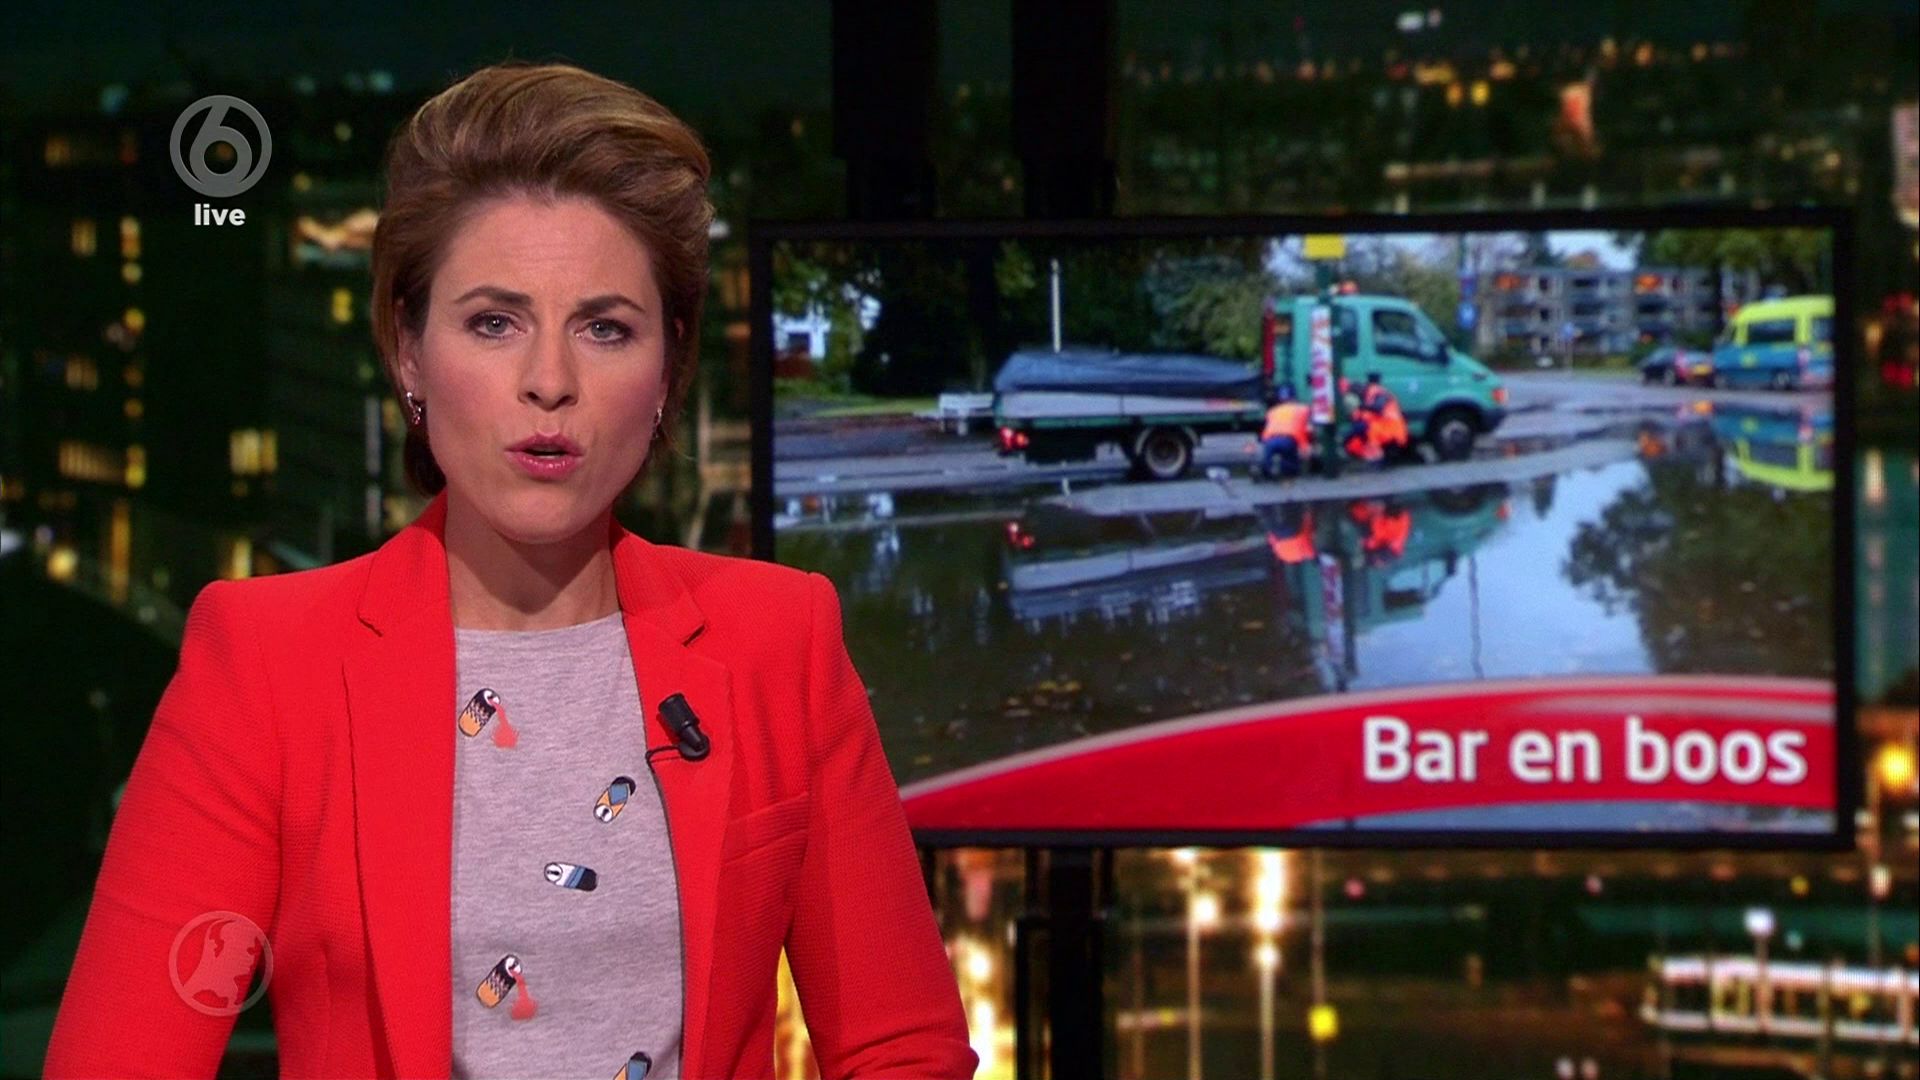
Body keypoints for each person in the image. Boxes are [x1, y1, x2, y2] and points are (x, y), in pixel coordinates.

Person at [45, 61, 977, 1080]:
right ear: (408, 350)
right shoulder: (267, 665)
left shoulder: (778, 640)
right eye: (494, 322)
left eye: (605, 328)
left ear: (668, 368)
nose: (549, 382)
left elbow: (901, 1046)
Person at [1255, 383, 1312, 480]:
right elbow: (1305, 430)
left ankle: (1266, 469)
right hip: (1289, 439)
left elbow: (1264, 428)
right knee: (1292, 464)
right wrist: (1305, 447)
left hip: (1270, 440)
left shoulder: (1273, 411)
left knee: (1267, 461)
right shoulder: (1303, 409)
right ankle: (1282, 468)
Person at [1360, 372, 1410, 460]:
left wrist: (1362, 406)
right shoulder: (1380, 392)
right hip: (1390, 429)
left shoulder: (1380, 393)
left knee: (1365, 431)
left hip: (1391, 431)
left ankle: (1377, 458)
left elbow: (1377, 407)